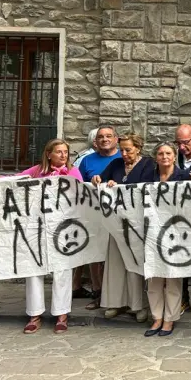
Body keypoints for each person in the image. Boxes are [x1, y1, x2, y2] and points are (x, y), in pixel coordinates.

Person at [18, 138, 83, 335]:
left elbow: (82, 195)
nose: (63, 155)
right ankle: (34, 314)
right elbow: (15, 180)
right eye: (59, 152)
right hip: (37, 227)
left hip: (63, 228)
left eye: (66, 152)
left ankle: (61, 314)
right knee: (34, 268)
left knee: (62, 269)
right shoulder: (37, 171)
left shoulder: (72, 172)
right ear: (49, 154)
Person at [91, 133, 154, 321]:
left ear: (138, 148)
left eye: (128, 150)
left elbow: (147, 187)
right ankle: (116, 303)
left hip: (136, 224)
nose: (124, 154)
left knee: (135, 263)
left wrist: (119, 186)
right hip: (116, 222)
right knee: (116, 263)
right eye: (122, 150)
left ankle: (138, 305)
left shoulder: (148, 164)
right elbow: (101, 180)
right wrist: (99, 180)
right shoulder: (116, 164)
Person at [144, 143, 191, 338]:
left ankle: (169, 318)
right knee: (154, 276)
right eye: (161, 153)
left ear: (174, 156)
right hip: (152, 232)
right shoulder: (148, 176)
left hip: (176, 232)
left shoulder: (183, 176)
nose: (164, 157)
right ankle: (157, 317)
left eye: (168, 153)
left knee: (173, 277)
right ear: (156, 157)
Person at [75, 126, 119, 301]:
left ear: (116, 139)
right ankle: (98, 291)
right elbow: (79, 187)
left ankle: (115, 295)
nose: (104, 139)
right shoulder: (87, 161)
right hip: (93, 214)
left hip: (117, 215)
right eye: (101, 137)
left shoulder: (123, 157)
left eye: (108, 136)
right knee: (95, 252)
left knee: (115, 254)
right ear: (95, 141)